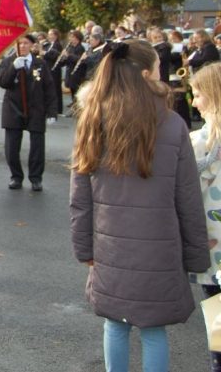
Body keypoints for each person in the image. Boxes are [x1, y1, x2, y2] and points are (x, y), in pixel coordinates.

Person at [70, 39, 209, 372]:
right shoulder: (172, 124)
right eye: (160, 68)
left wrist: (83, 248)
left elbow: (80, 196)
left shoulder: (92, 119)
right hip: (160, 249)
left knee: (115, 325)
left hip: (109, 247)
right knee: (153, 330)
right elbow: (187, 196)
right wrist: (196, 255)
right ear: (146, 74)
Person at [189, 63, 221, 371]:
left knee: (219, 335)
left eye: (198, 95)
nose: (194, 102)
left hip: (212, 254)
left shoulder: (197, 143)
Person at [0, 34, 57, 191]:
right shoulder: (9, 61)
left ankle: (36, 178)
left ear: (32, 45)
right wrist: (13, 68)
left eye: (26, 43)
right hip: (13, 108)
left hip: (35, 108)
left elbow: (49, 89)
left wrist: (52, 112)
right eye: (20, 43)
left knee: (37, 146)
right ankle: (16, 176)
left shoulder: (40, 64)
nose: (22, 46)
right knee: (11, 147)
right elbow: (3, 82)